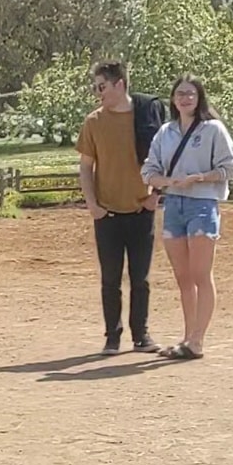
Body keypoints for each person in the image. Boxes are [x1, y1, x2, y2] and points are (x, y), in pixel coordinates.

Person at [142, 77, 233, 362]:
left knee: (200, 274)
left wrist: (201, 178)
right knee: (183, 277)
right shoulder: (165, 132)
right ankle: (187, 337)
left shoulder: (213, 129)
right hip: (173, 204)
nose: (185, 98)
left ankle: (197, 340)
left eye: (191, 93)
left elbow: (230, 166)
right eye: (180, 93)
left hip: (203, 204)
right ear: (172, 99)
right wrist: (167, 181)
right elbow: (149, 169)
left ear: (199, 98)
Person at [77, 64, 162, 355]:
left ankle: (142, 335)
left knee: (141, 279)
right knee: (110, 279)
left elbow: (166, 159)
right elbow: (86, 167)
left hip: (141, 210)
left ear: (120, 84)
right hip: (108, 214)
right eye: (95, 87)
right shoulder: (93, 122)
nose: (97, 92)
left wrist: (156, 196)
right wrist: (92, 203)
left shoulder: (147, 118)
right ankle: (112, 337)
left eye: (101, 86)